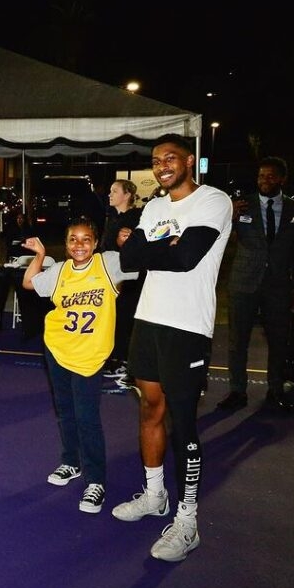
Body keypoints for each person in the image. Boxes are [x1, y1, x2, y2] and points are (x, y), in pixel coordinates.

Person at [113, 133, 232, 562]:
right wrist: (159, 246)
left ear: (189, 160)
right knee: (149, 408)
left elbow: (187, 258)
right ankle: (155, 495)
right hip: (148, 321)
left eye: (170, 158)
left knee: (183, 425)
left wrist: (147, 246)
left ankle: (187, 521)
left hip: (187, 326)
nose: (161, 165)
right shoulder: (157, 207)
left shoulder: (213, 202)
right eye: (155, 160)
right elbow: (130, 259)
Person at [23, 217, 138, 513]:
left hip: (90, 354)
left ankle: (96, 480)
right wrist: (39, 255)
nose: (79, 245)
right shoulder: (60, 270)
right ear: (66, 243)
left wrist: (130, 243)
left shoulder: (108, 263)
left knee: (87, 417)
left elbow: (139, 263)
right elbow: (28, 283)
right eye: (73, 239)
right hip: (58, 348)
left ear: (96, 242)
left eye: (86, 239)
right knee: (66, 412)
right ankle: (71, 462)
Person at [218, 157, 294, 413]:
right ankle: (237, 390)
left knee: (279, 339)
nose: (264, 181)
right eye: (260, 176)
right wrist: (229, 216)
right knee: (237, 340)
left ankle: (276, 390)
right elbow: (220, 237)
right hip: (243, 283)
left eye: (270, 176)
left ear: (282, 179)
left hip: (279, 285)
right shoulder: (242, 206)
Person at [100, 179, 144, 388]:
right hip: (111, 276)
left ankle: (126, 362)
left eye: (114, 191)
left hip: (128, 279)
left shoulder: (135, 218)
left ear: (127, 195)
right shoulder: (112, 218)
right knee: (114, 319)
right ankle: (115, 358)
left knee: (126, 319)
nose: (110, 194)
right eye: (110, 190)